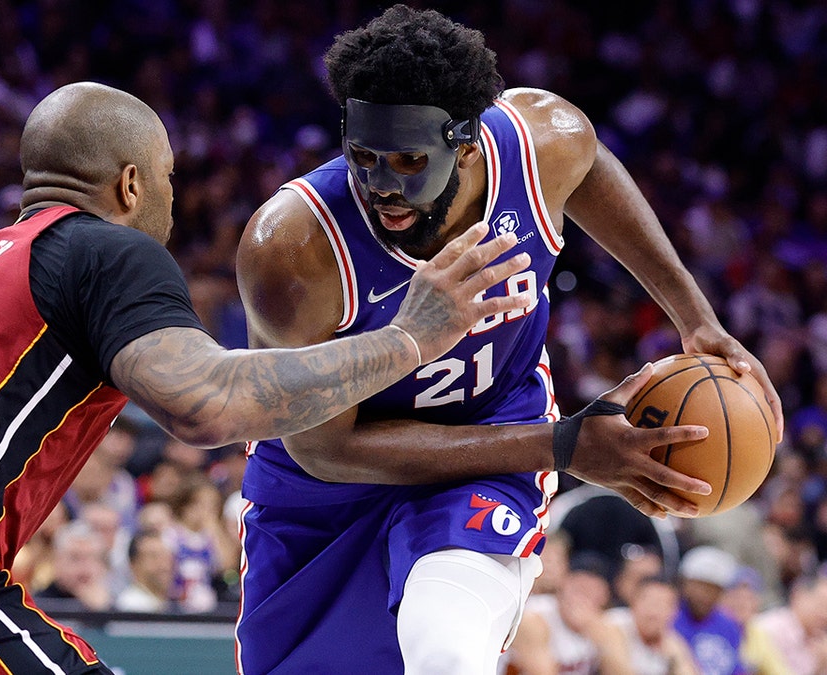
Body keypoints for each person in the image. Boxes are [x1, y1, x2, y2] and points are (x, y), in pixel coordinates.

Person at [0, 81, 535, 674]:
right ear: (131, 184)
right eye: (168, 182)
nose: (172, 202)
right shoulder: (106, 246)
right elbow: (209, 405)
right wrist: (409, 338)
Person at [233, 6, 781, 674]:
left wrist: (695, 317)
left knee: (446, 647)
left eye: (409, 160)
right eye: (364, 158)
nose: (382, 184)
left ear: (465, 142)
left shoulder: (538, 141)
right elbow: (327, 448)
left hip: (489, 439)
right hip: (327, 484)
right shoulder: (293, 250)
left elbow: (591, 165)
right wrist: (567, 446)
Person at [501, 552, 632, 675]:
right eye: (579, 589)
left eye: (591, 592)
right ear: (562, 586)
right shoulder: (535, 617)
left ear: (605, 597)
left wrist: (600, 637)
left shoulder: (605, 627)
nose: (582, 599)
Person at [604, 576, 700, 675]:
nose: (653, 611)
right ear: (633, 601)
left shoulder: (671, 642)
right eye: (649, 601)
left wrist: (674, 660)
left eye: (661, 604)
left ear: (674, 612)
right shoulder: (615, 622)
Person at [674, 546, 746, 675]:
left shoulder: (728, 625)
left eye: (713, 589)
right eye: (699, 586)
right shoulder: (671, 619)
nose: (704, 595)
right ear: (685, 584)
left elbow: (738, 669)